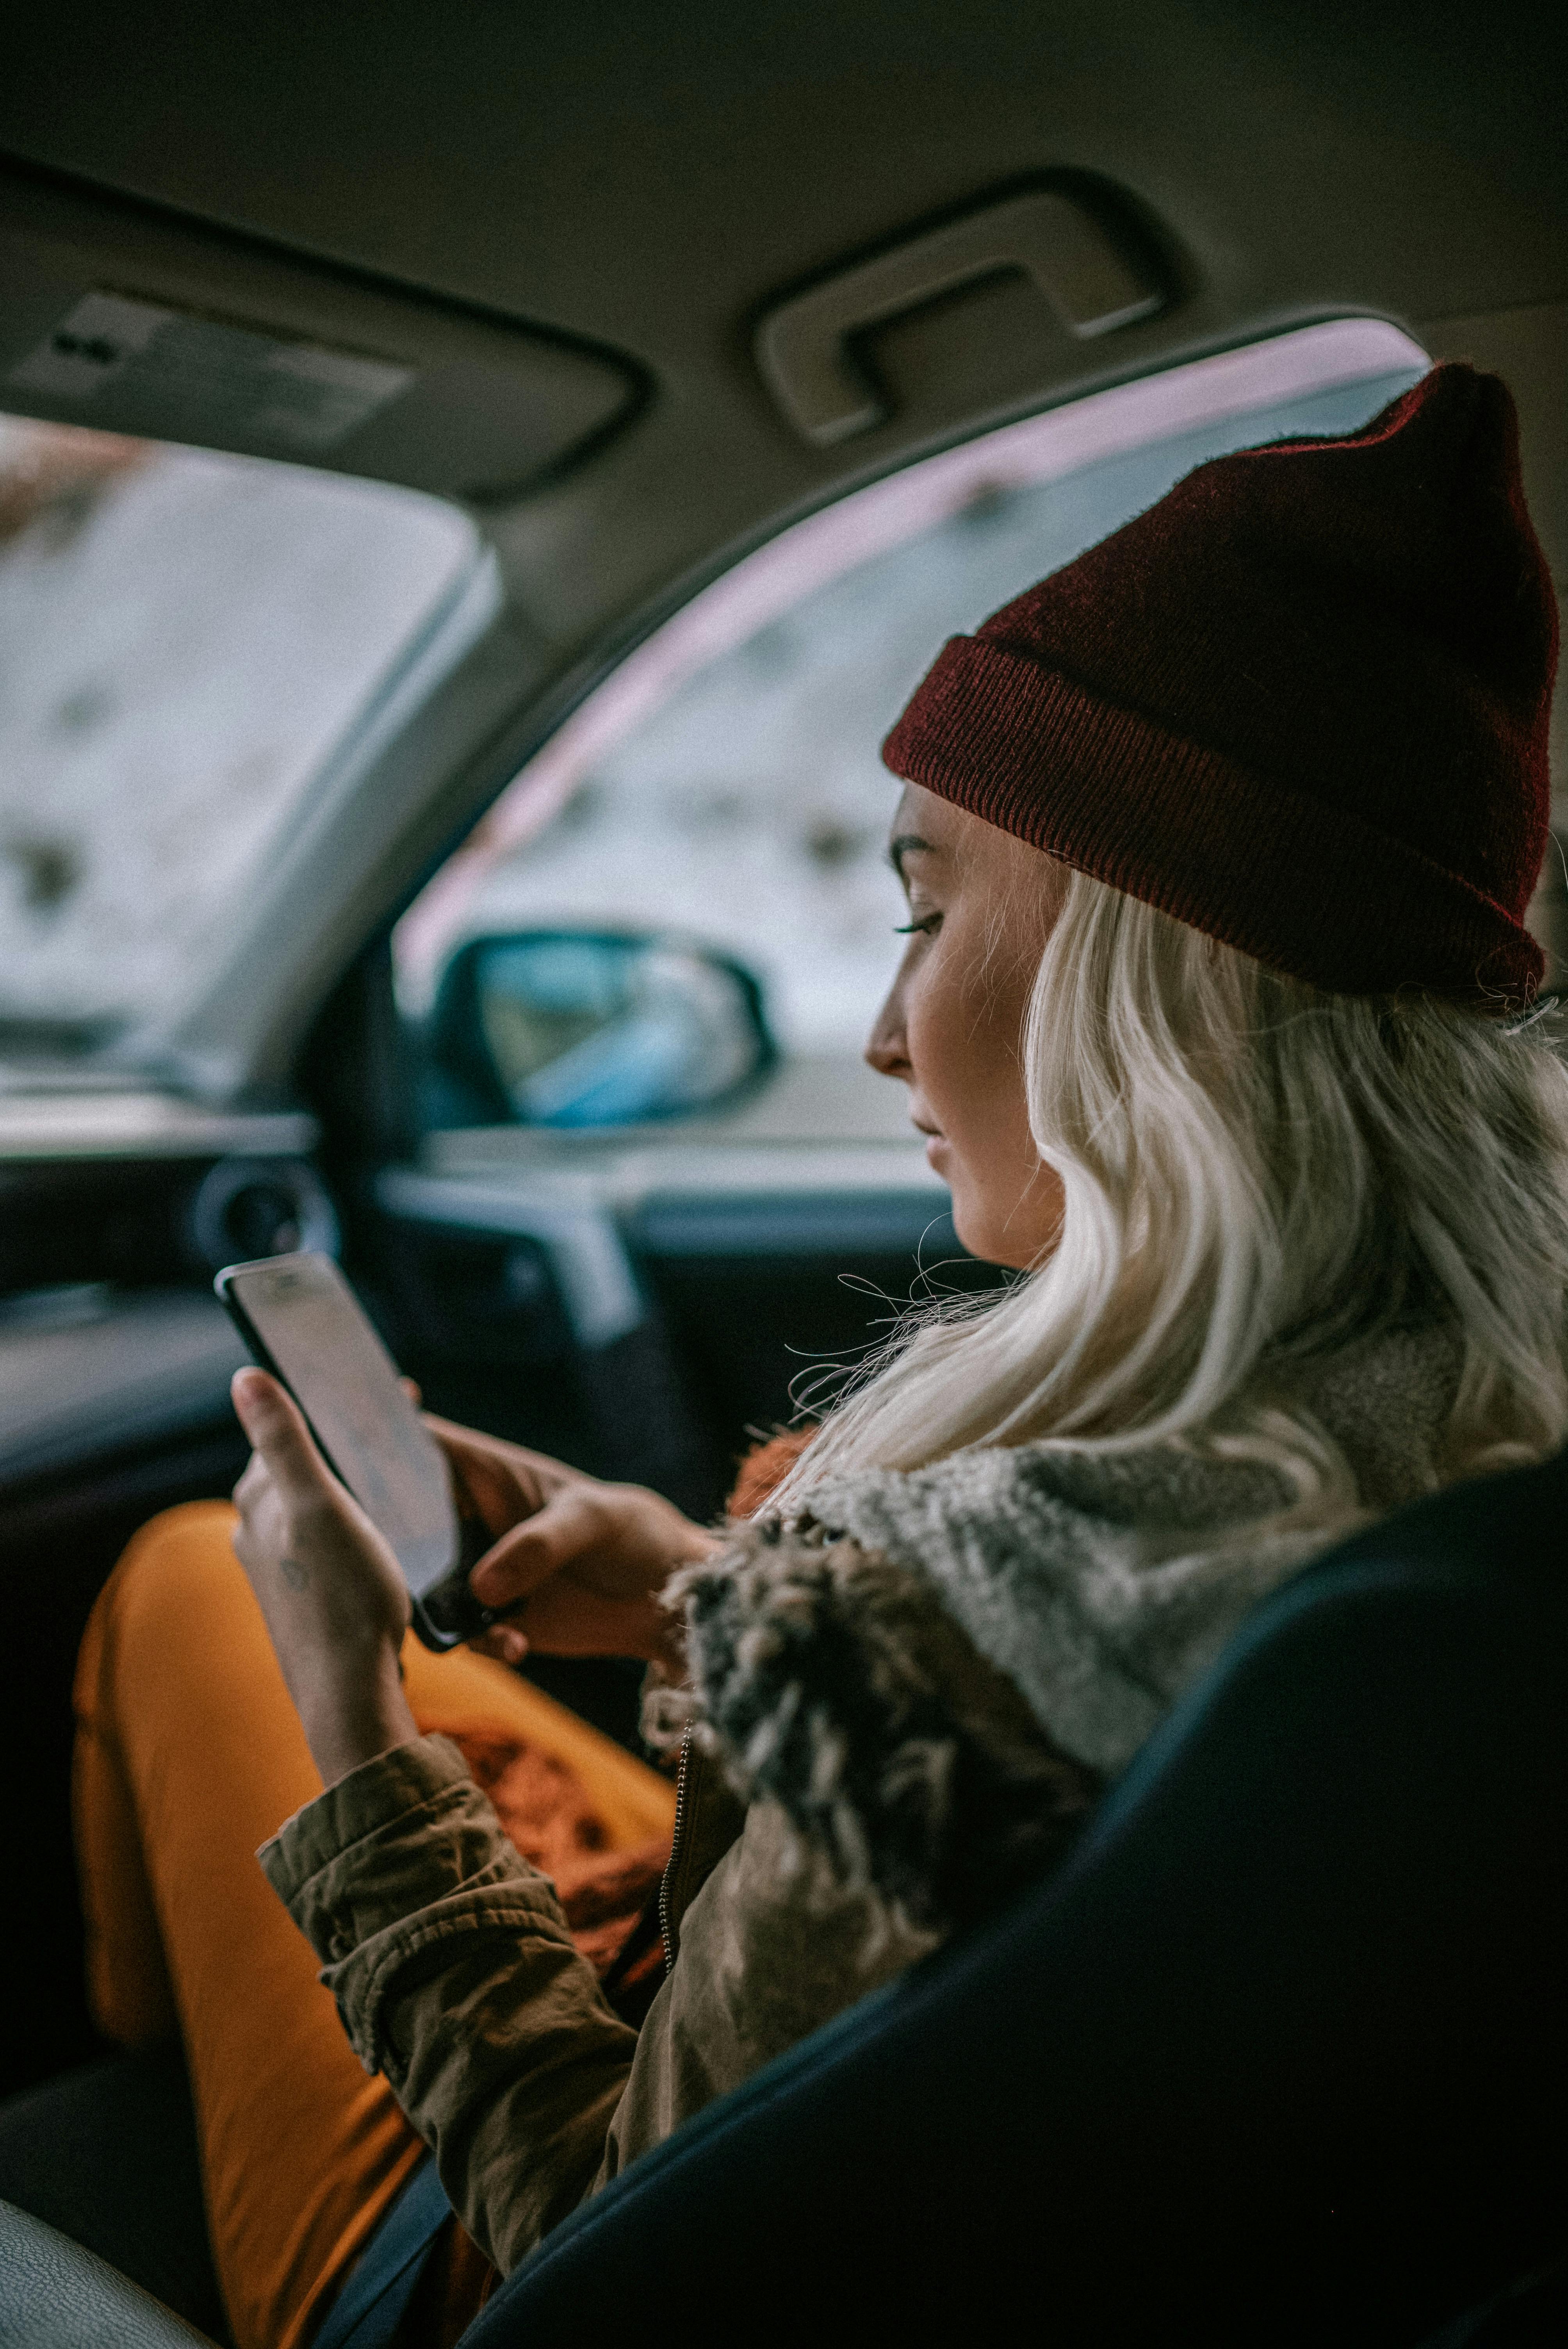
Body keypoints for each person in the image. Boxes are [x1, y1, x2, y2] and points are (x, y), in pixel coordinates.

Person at [67, 362, 1568, 2349]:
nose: (880, 1033)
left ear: (1150, 988)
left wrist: (356, 1718)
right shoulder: (1455, 1485)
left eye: (926, 913)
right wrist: (701, 1603)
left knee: (202, 1587)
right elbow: (1138, 1832)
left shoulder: (930, 1609)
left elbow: (597, 2243)